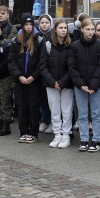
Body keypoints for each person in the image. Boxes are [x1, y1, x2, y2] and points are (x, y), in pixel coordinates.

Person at [70, 18, 100, 152]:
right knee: (82, 114)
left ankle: (96, 140)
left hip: (96, 86)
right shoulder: (75, 46)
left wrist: (94, 85)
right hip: (80, 86)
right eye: (87, 29)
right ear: (82, 29)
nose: (90, 32)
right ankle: (84, 140)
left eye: (92, 29)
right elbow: (72, 67)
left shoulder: (99, 45)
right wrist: (80, 84)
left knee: (96, 113)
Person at [7, 15, 41, 143]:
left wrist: (33, 76)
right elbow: (11, 61)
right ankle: (24, 131)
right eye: (26, 25)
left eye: (30, 24)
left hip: (34, 81)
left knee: (33, 107)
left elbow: (41, 62)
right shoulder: (16, 41)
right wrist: (19, 76)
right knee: (21, 107)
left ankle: (33, 133)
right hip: (20, 81)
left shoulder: (39, 40)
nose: (28, 27)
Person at [40, 19, 74, 148]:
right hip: (51, 83)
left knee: (66, 111)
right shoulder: (48, 45)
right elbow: (43, 65)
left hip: (67, 84)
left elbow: (72, 66)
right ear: (55, 30)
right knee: (54, 110)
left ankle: (66, 135)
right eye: (61, 28)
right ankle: (57, 134)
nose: (63, 30)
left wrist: (62, 82)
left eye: (65, 28)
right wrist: (53, 82)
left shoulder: (71, 45)